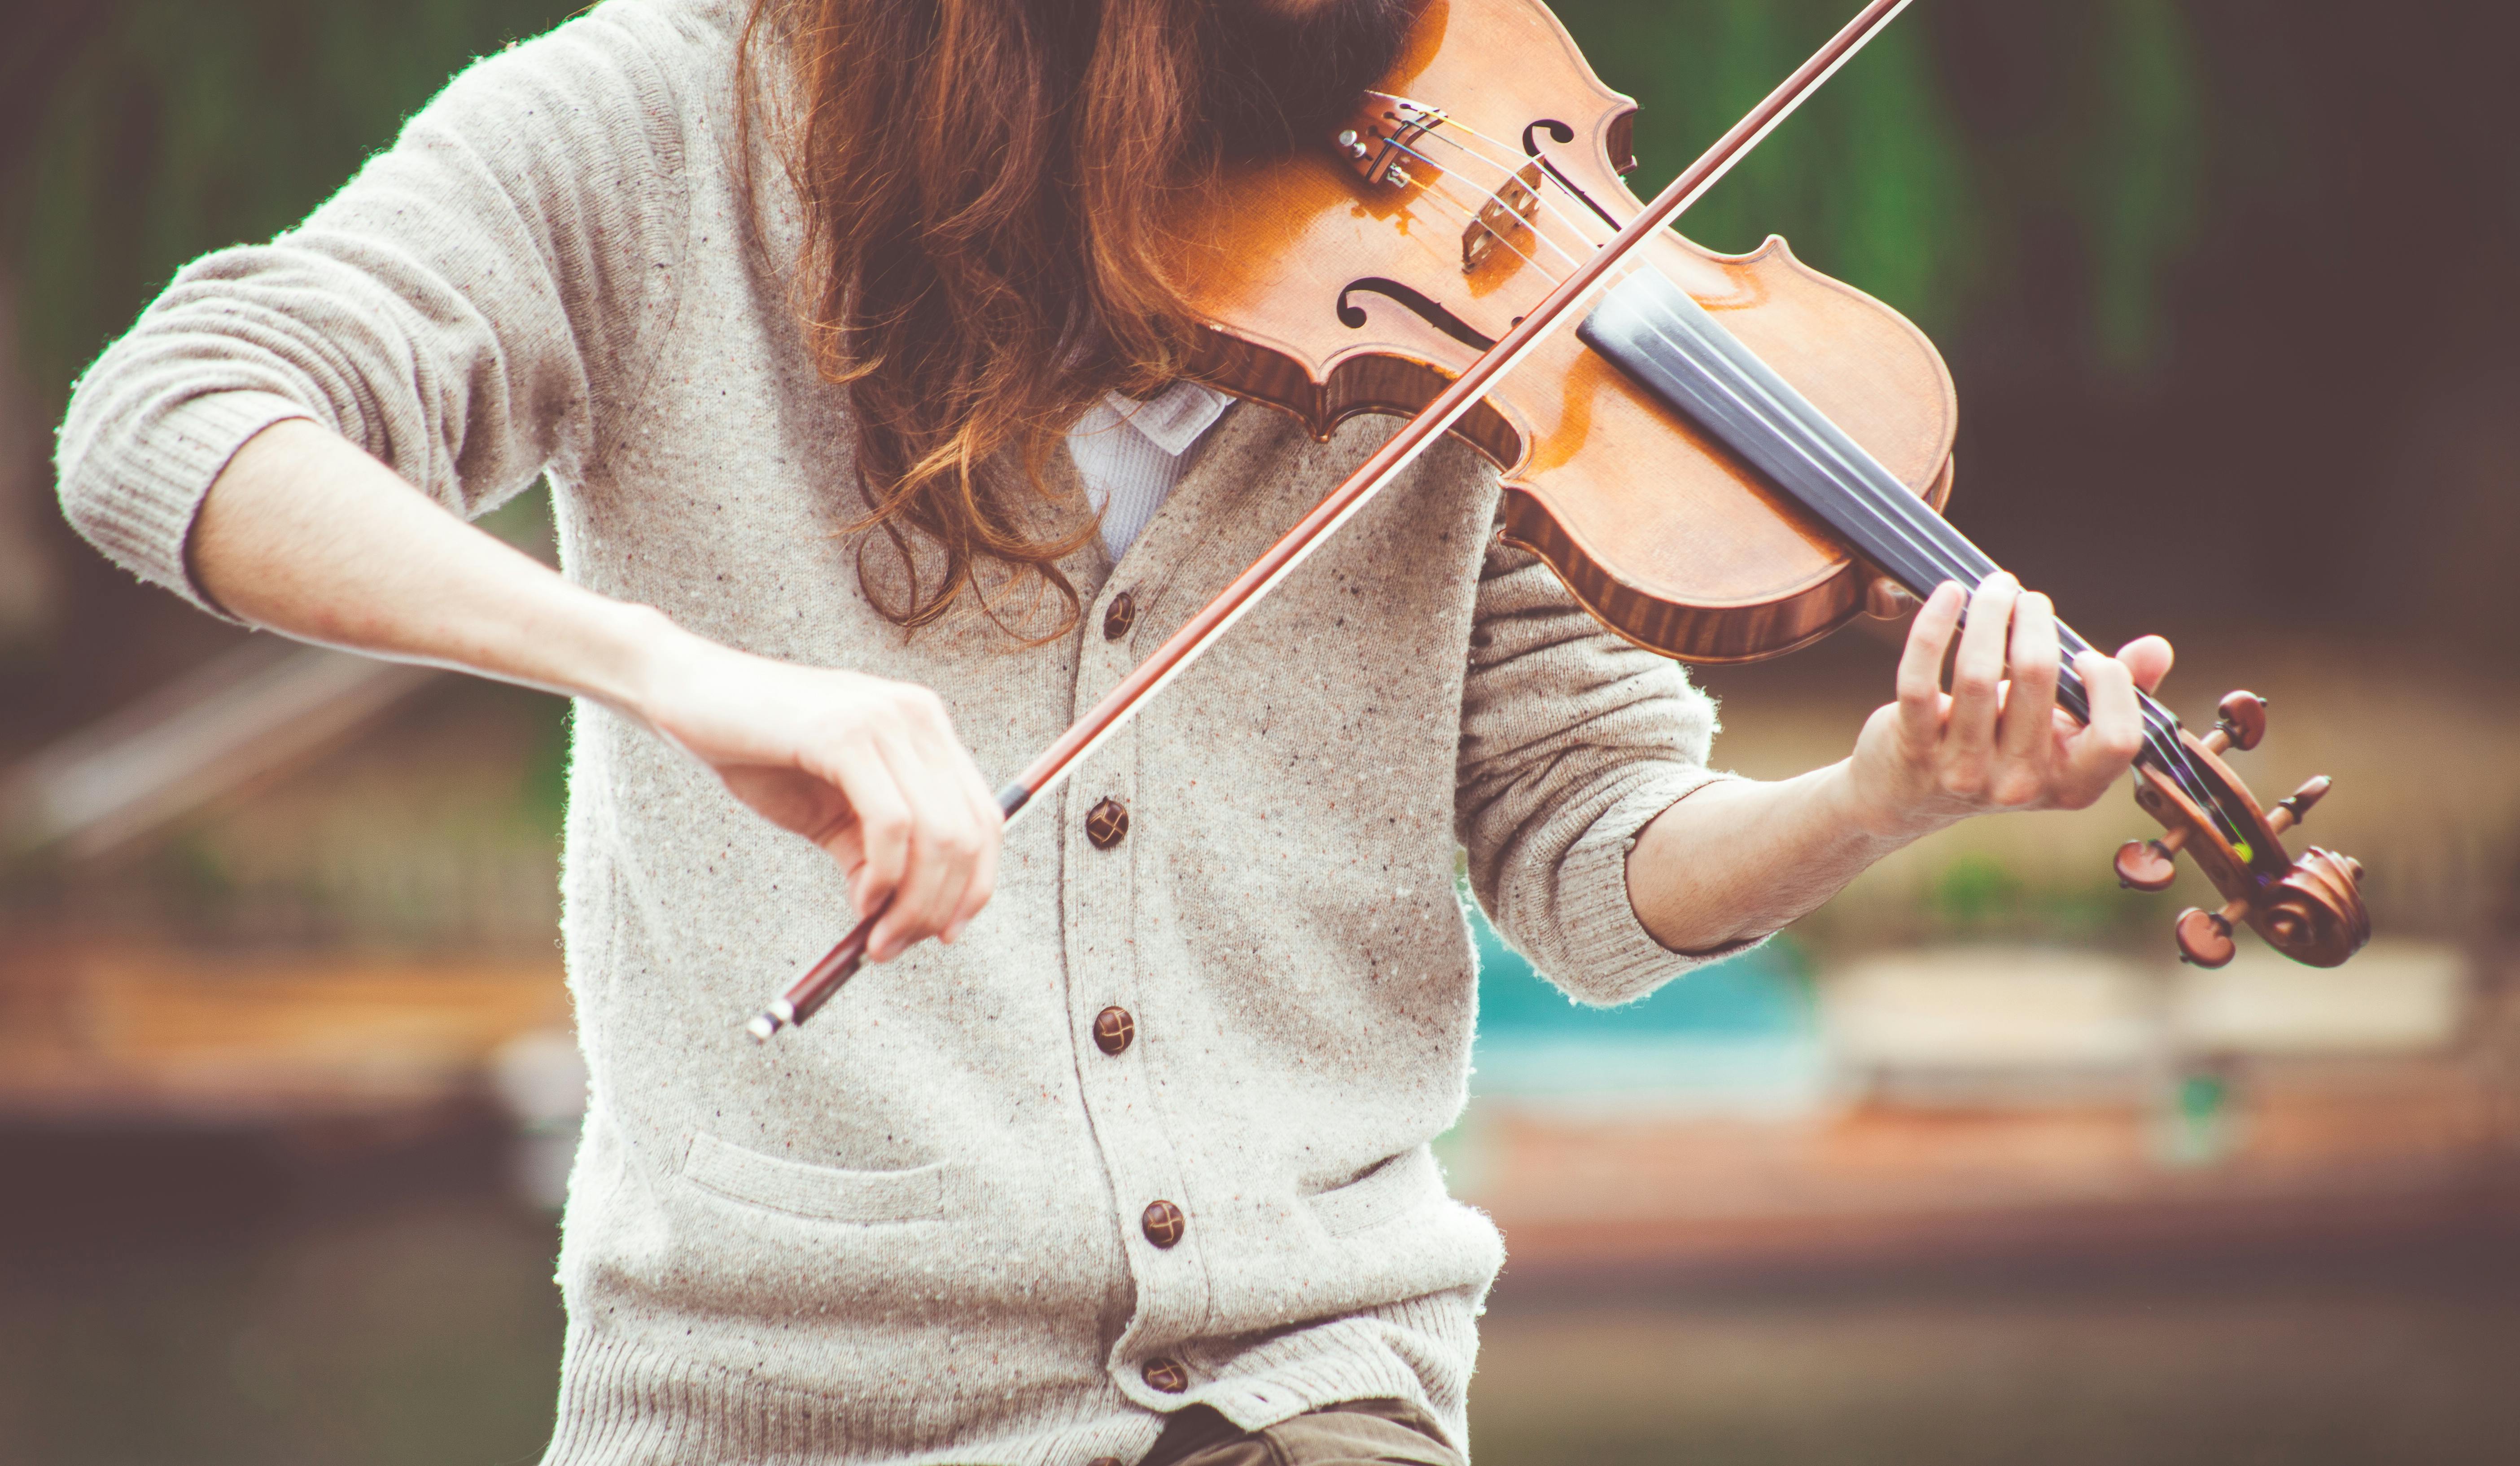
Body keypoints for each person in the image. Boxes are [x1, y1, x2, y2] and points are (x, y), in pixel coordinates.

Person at [53, 0, 2173, 1461]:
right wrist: (673, 670)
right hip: (775, 1396)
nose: (1349, 108)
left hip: (1307, 1381)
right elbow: (173, 422)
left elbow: (1597, 859)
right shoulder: (656, 125)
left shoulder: (1453, 264)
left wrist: (1879, 794)